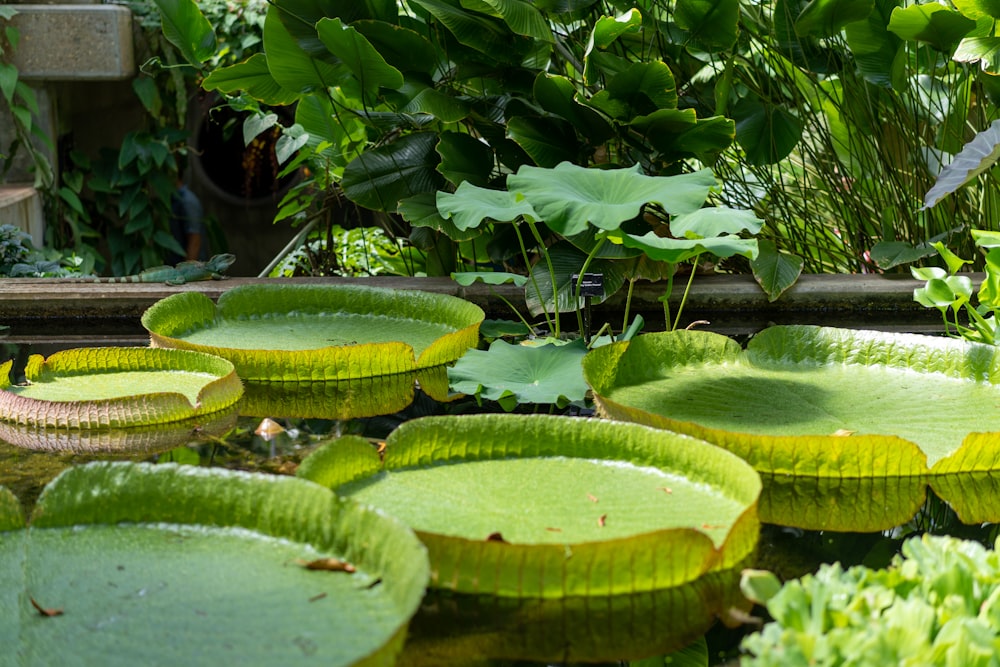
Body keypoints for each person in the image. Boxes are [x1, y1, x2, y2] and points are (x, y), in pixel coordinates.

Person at [169, 162, 208, 263]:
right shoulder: (172, 199)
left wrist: (186, 273)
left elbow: (194, 241)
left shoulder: (187, 201)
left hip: (189, 270)